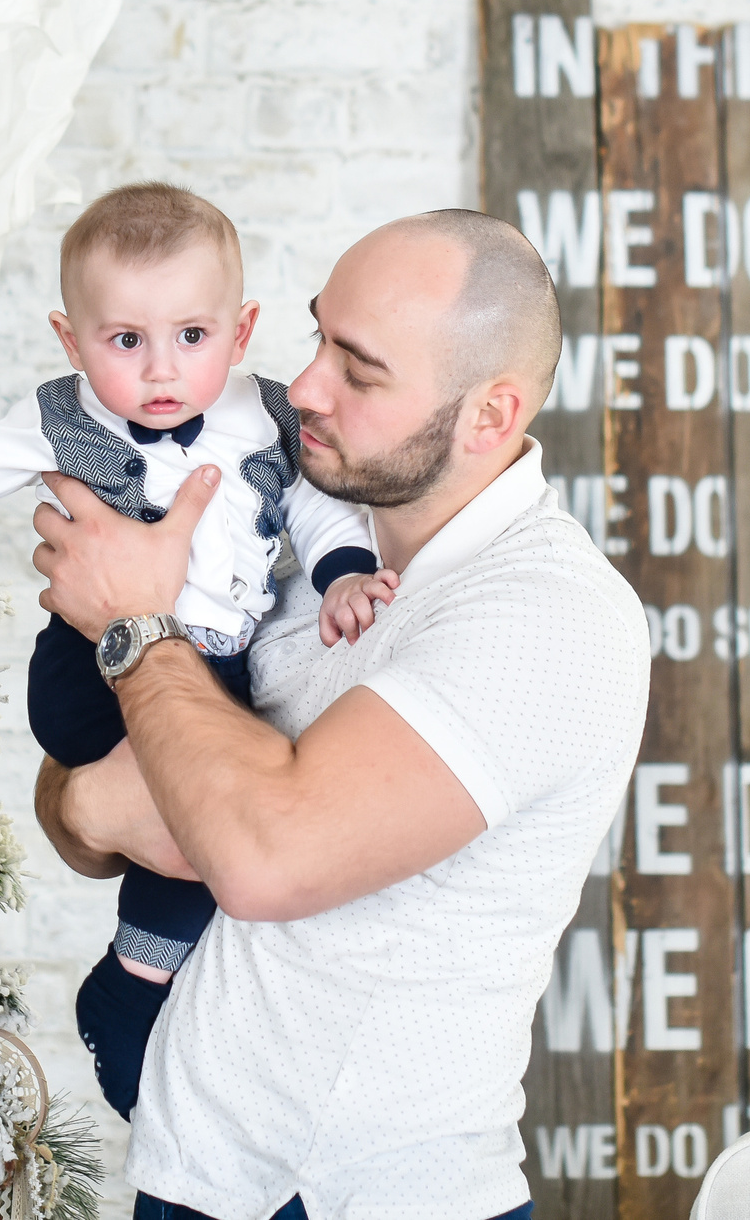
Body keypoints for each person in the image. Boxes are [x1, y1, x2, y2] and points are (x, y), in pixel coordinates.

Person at [32, 209, 651, 1220]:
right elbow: (88, 801)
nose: (302, 386)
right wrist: (102, 807)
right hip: (194, 1174)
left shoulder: (548, 614)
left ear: (489, 416)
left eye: (359, 372)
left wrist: (139, 627)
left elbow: (260, 857)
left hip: (346, 1198)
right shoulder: (291, 545)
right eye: (318, 336)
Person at [0, 182, 389, 1116]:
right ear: (72, 338)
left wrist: (341, 574)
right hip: (92, 666)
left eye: (193, 337)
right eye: (126, 340)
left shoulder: (275, 414)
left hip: (210, 664)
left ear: (243, 329)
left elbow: (320, 505)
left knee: (212, 828)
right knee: (201, 828)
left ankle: (144, 970)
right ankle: (139, 982)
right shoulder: (62, 416)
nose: (162, 369)